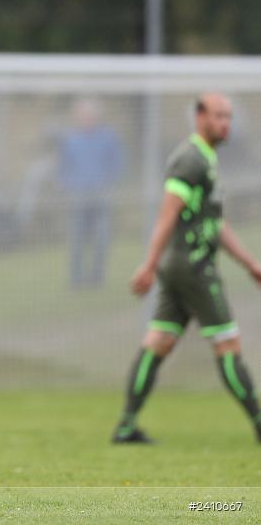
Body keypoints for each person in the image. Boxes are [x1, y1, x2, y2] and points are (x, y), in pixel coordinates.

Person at [112, 93, 261, 444]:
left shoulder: (207, 159)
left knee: (158, 341)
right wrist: (148, 265)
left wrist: (249, 263)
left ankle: (126, 426)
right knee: (228, 343)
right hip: (193, 267)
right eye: (218, 116)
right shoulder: (189, 160)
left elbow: (216, 224)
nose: (225, 123)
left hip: (180, 268)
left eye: (228, 117)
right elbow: (167, 216)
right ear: (200, 117)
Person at [57, 98, 124, 288]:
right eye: (83, 115)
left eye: (90, 115)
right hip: (78, 194)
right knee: (77, 238)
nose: (87, 119)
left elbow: (117, 163)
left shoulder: (108, 138)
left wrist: (109, 182)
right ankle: (76, 279)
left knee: (102, 237)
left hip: (101, 194)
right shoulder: (71, 140)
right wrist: (67, 186)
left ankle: (97, 278)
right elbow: (63, 168)